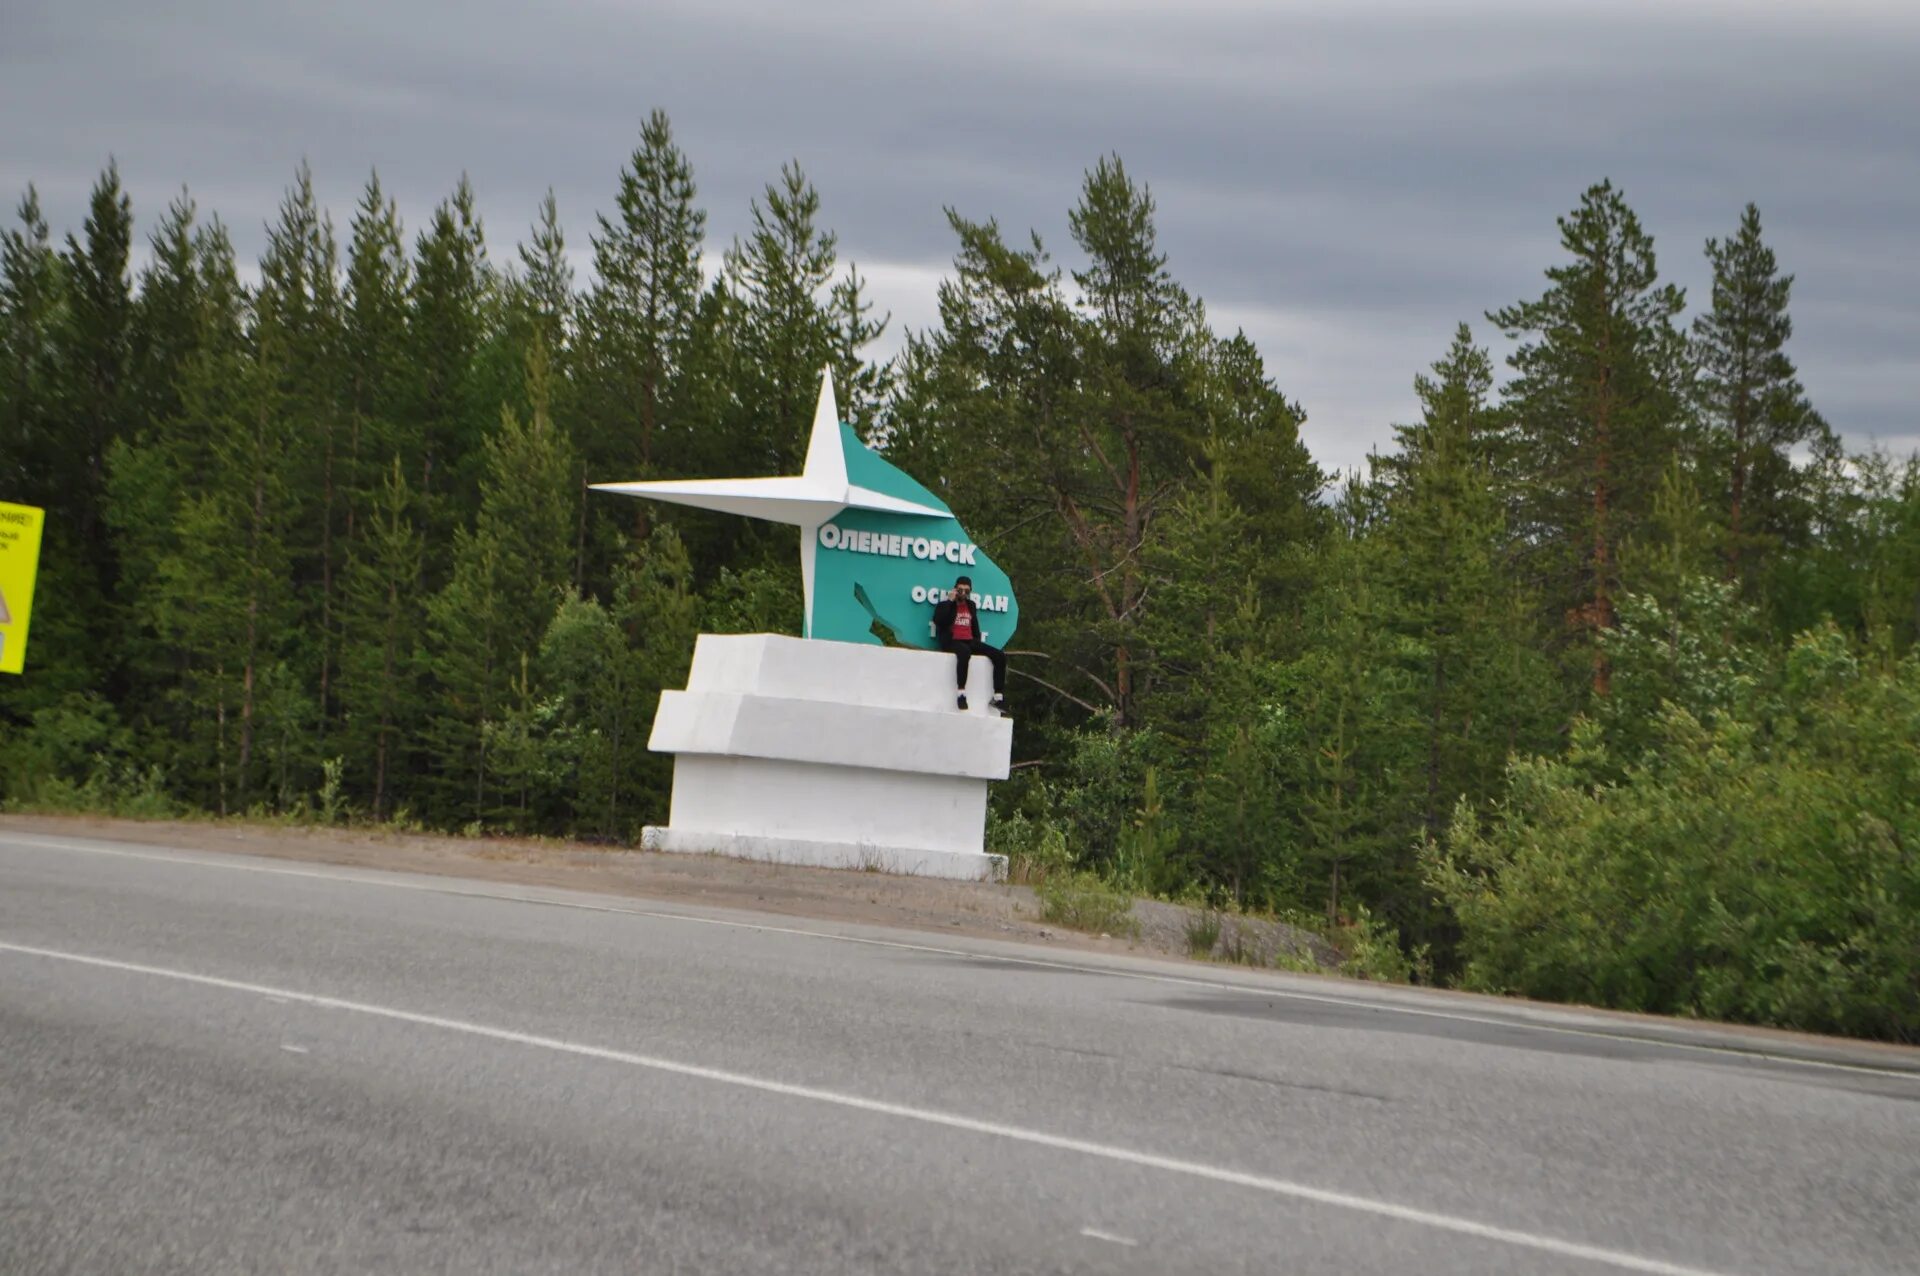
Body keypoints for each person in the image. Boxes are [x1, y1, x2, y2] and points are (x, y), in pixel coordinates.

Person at [931, 575, 1007, 713]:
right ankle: (961, 693)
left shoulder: (971, 605)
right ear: (955, 589)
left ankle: (998, 696)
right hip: (952, 641)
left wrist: (976, 640)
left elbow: (974, 624)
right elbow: (939, 621)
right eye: (961, 590)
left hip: (969, 640)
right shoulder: (945, 605)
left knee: (999, 655)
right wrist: (950, 601)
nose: (963, 594)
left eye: (967, 591)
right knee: (964, 652)